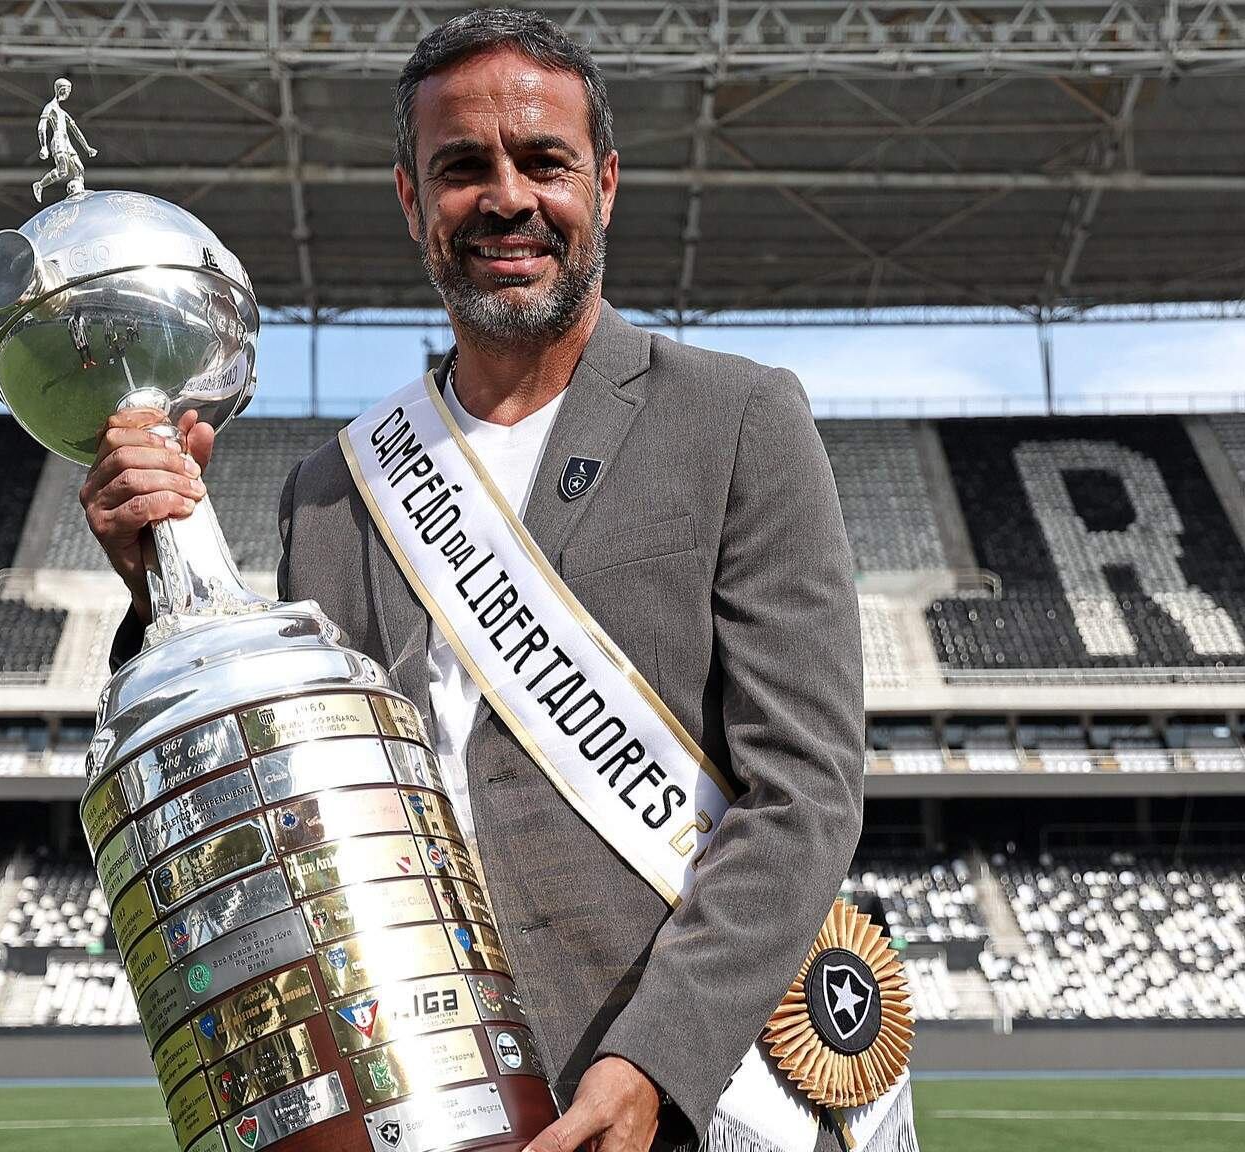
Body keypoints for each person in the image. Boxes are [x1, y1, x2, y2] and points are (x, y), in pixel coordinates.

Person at [84, 10, 863, 1152]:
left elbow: (804, 791)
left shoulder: (739, 417)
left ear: (603, 184)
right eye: (461, 169)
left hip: (694, 1098)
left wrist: (653, 1062)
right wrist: (161, 585)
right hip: (442, 1102)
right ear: (412, 200)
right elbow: (301, 806)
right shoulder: (330, 491)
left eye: (544, 161)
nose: (507, 198)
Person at [34, 77, 98, 203]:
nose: (68, 94)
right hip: (58, 141)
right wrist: (43, 147)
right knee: (62, 171)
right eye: (68, 91)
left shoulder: (62, 112)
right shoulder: (50, 107)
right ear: (61, 90)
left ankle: (77, 192)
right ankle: (39, 185)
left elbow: (75, 130)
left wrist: (87, 148)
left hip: (66, 141)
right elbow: (42, 126)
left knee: (79, 169)